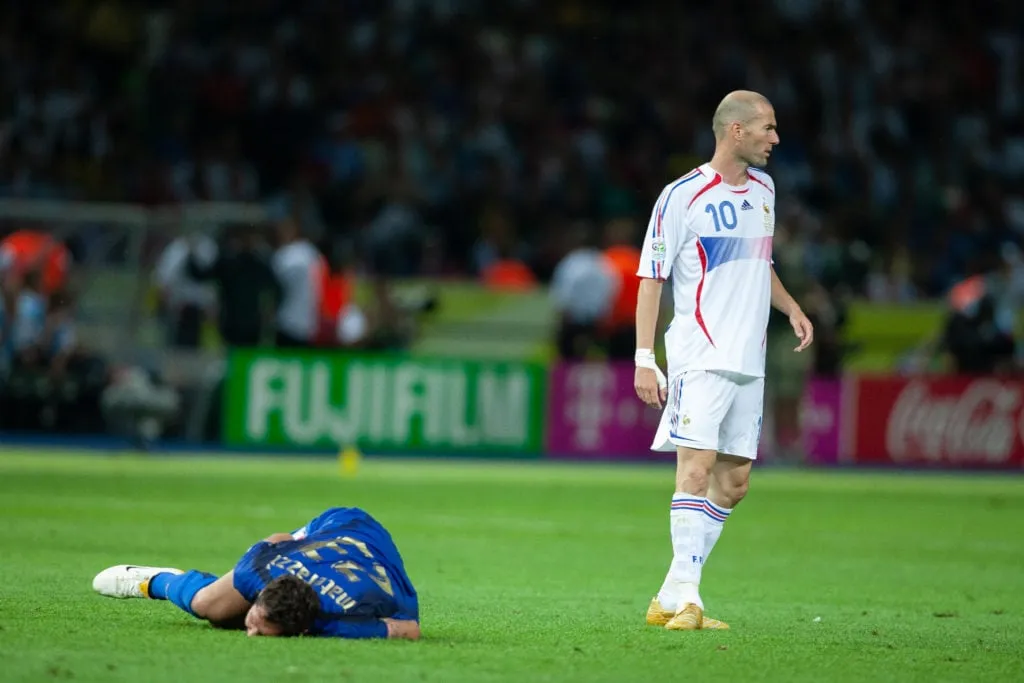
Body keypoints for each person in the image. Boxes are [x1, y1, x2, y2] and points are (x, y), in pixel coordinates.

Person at [632, 91, 814, 631]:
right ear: (736, 131)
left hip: (749, 359)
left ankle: (669, 594)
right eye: (768, 128)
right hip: (699, 354)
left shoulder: (765, 189)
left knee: (733, 485)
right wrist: (646, 358)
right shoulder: (680, 196)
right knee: (696, 470)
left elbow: (760, 262)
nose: (775, 139)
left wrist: (790, 307)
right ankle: (689, 599)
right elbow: (651, 279)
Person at [92, 507, 421, 639]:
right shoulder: (257, 569)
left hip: (371, 548)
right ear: (263, 591)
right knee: (211, 607)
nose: (252, 635)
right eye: (256, 624)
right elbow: (282, 540)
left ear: (305, 627)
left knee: (228, 619)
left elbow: (410, 629)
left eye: (260, 631)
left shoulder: (341, 621)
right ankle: (156, 580)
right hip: (335, 526)